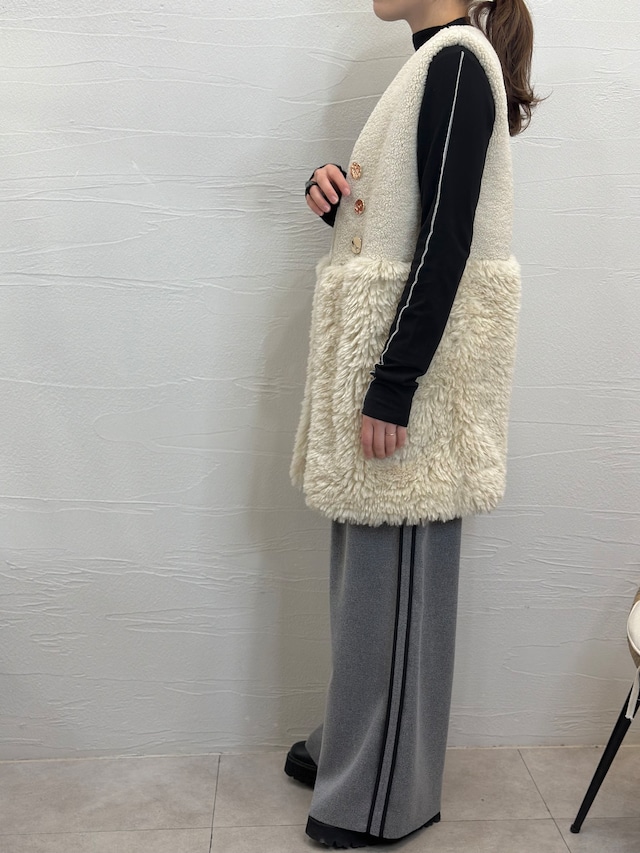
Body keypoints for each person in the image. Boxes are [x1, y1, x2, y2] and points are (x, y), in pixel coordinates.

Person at [285, 0, 539, 848]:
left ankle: (384, 795)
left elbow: (447, 240)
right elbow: (406, 220)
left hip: (412, 385)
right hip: (391, 368)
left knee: (396, 587)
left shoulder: (458, 63)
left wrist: (394, 386)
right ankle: (354, 741)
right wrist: (342, 200)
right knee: (367, 586)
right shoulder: (435, 63)